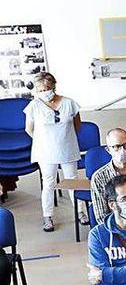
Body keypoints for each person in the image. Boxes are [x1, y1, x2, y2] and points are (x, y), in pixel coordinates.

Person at [23, 71, 83, 232]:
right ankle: (47, 216)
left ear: (53, 87)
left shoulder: (69, 103)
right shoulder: (34, 106)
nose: (44, 93)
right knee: (48, 183)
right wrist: (46, 140)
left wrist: (63, 136)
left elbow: (78, 126)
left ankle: (80, 212)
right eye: (40, 90)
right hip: (45, 151)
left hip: (68, 148)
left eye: (46, 89)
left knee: (72, 180)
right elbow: (29, 129)